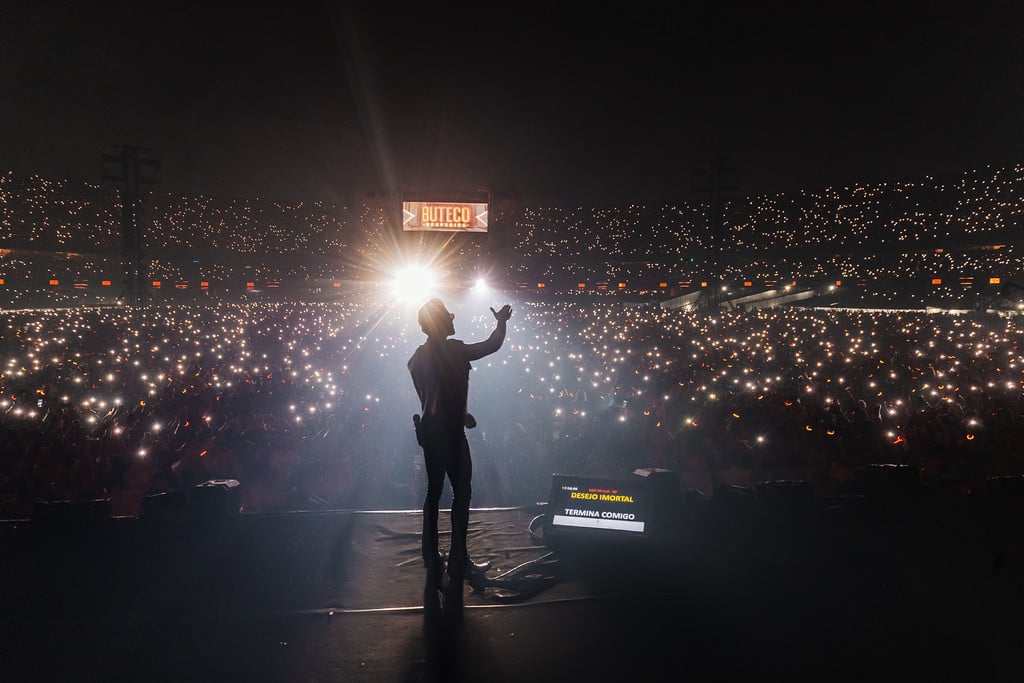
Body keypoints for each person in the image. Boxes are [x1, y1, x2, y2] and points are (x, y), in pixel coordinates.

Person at [408, 297, 512, 616]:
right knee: (461, 494)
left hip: (431, 430)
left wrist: (459, 413)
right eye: (449, 318)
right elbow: (491, 346)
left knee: (433, 493)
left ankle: (432, 557)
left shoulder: (416, 358)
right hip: (450, 433)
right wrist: (502, 322)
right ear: (441, 323)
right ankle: (457, 558)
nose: (454, 321)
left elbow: (433, 396)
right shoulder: (454, 350)